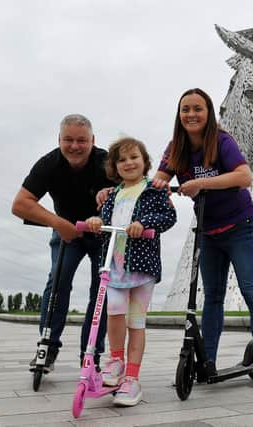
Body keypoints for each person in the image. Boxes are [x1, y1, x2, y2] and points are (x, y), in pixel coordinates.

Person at [152, 88, 253, 395]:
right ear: (179, 114)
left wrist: (200, 183)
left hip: (241, 226)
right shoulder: (176, 147)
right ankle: (205, 363)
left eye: (198, 108)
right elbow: (160, 177)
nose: (191, 114)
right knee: (211, 297)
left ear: (208, 112)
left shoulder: (222, 141)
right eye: (185, 109)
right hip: (209, 231)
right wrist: (144, 186)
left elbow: (244, 176)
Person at [12, 114, 115, 372]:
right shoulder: (50, 163)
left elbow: (132, 189)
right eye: (68, 140)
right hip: (67, 231)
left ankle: (90, 353)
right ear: (59, 140)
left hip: (102, 232)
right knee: (58, 281)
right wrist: (58, 223)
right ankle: (48, 346)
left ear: (93, 140)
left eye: (82, 140)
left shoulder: (106, 162)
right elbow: (20, 204)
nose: (75, 146)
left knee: (101, 291)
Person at [86, 137, 176, 406]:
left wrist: (143, 223)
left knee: (135, 322)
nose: (128, 163)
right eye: (122, 160)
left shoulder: (153, 189)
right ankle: (116, 361)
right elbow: (106, 220)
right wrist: (96, 221)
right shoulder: (112, 194)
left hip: (142, 266)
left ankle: (133, 378)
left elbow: (168, 217)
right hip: (114, 265)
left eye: (134, 157)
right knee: (113, 313)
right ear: (114, 166)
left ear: (144, 161)